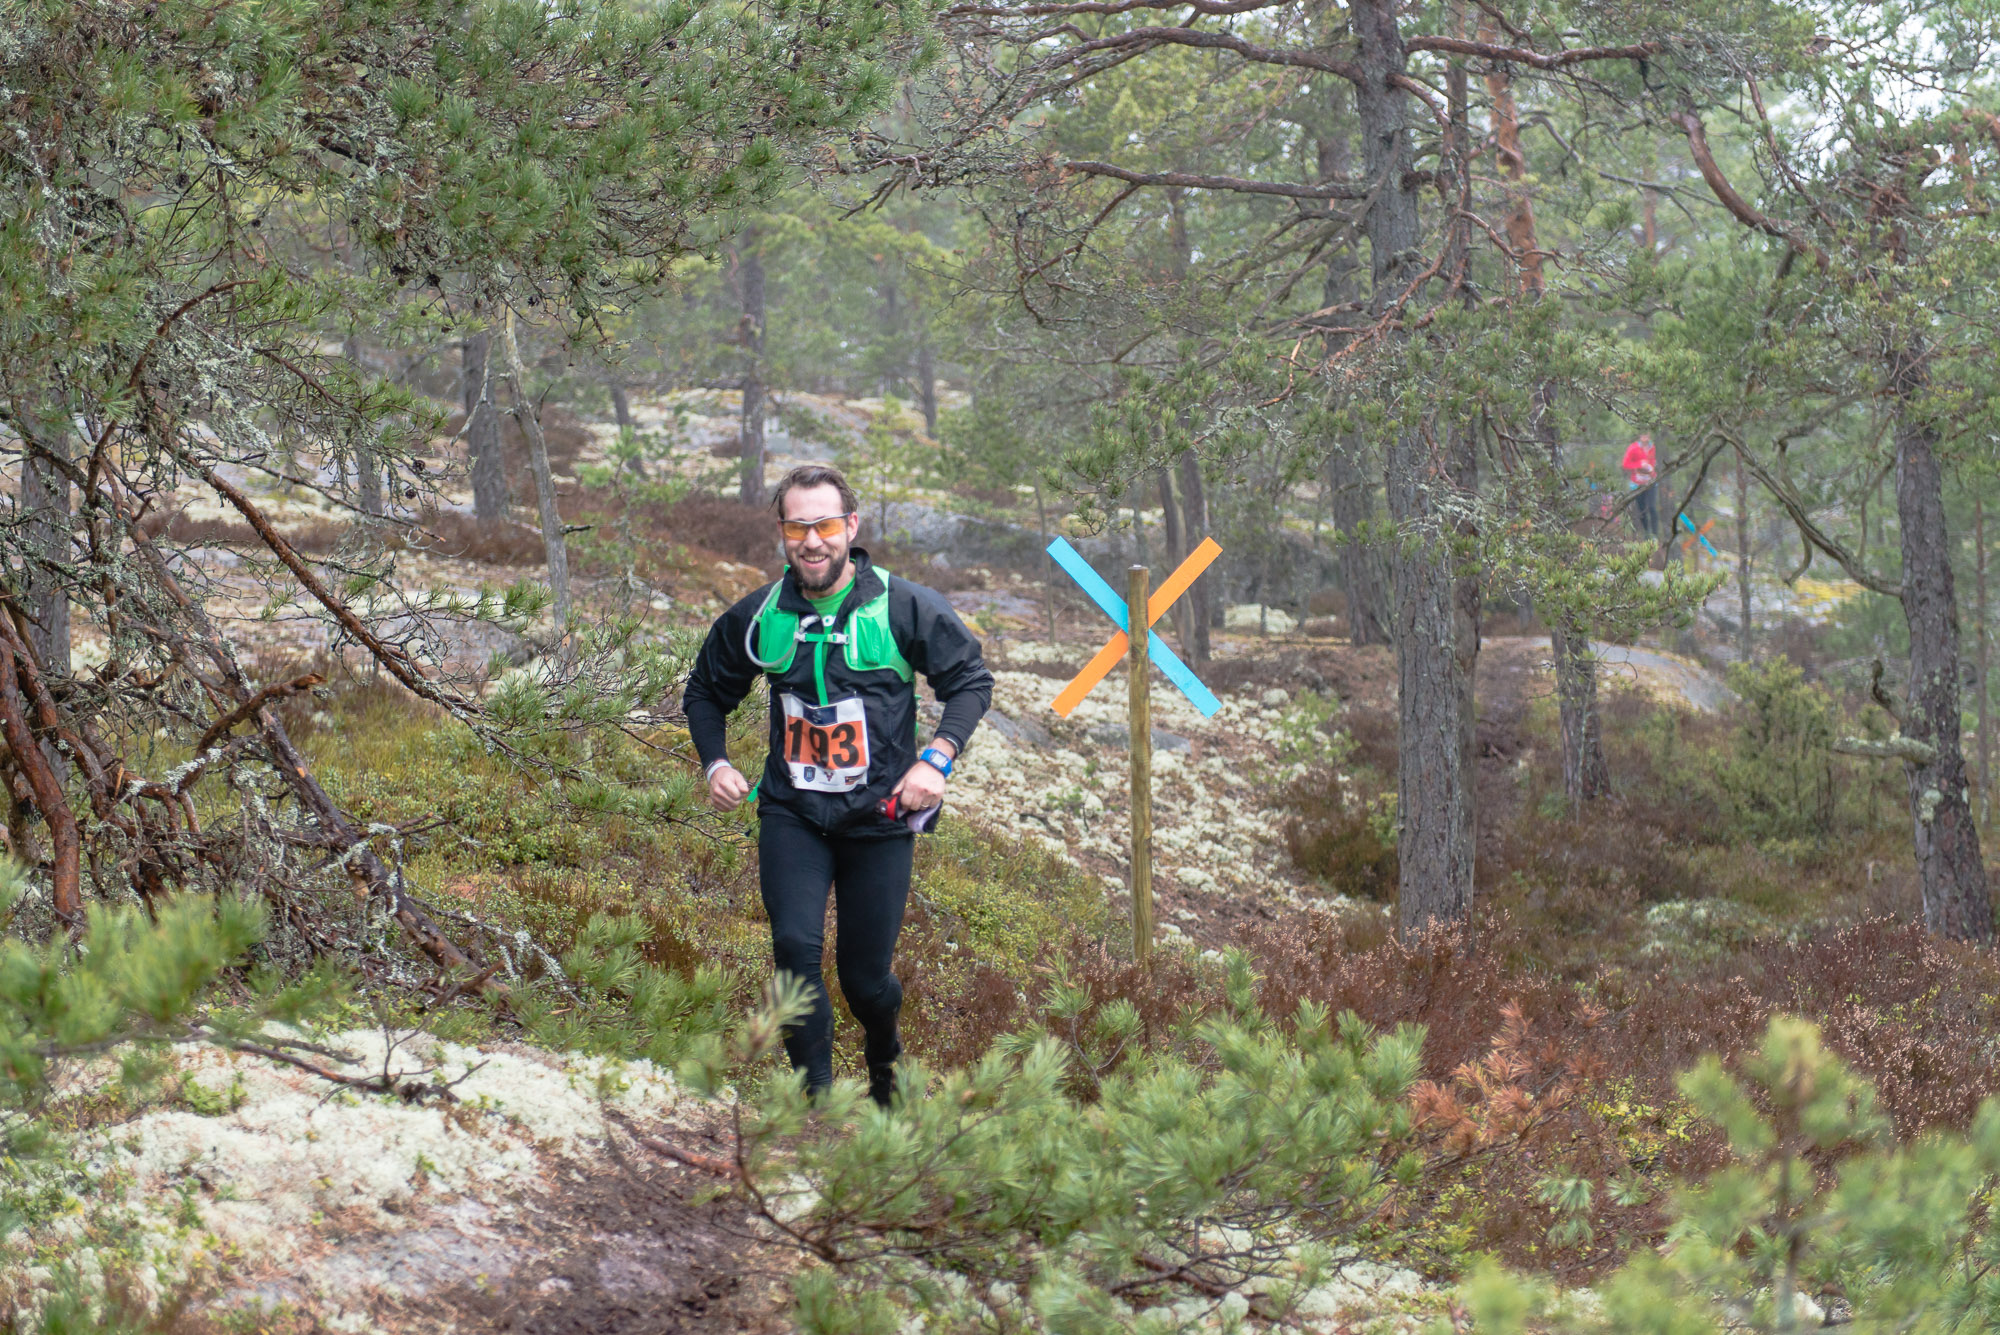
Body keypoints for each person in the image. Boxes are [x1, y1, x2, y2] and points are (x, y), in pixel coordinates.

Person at [682, 464, 993, 1107]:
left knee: (865, 981)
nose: (812, 540)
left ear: (851, 527)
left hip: (878, 820)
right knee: (794, 948)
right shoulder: (763, 615)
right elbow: (706, 691)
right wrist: (715, 763)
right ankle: (817, 1102)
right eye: (798, 526)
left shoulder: (904, 606)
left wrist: (936, 760)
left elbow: (969, 683)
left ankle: (884, 1065)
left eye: (825, 524)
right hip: (792, 815)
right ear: (782, 532)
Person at [1621, 431, 1661, 540]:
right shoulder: (1633, 448)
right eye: (1643, 435)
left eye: (1647, 434)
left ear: (1649, 436)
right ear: (1639, 436)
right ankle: (1646, 533)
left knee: (1652, 507)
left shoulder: (1652, 447)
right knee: (1642, 509)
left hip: (1651, 481)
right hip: (1637, 484)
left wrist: (1651, 467)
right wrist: (1639, 464)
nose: (1645, 437)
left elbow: (1653, 461)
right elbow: (1625, 464)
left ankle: (1655, 535)